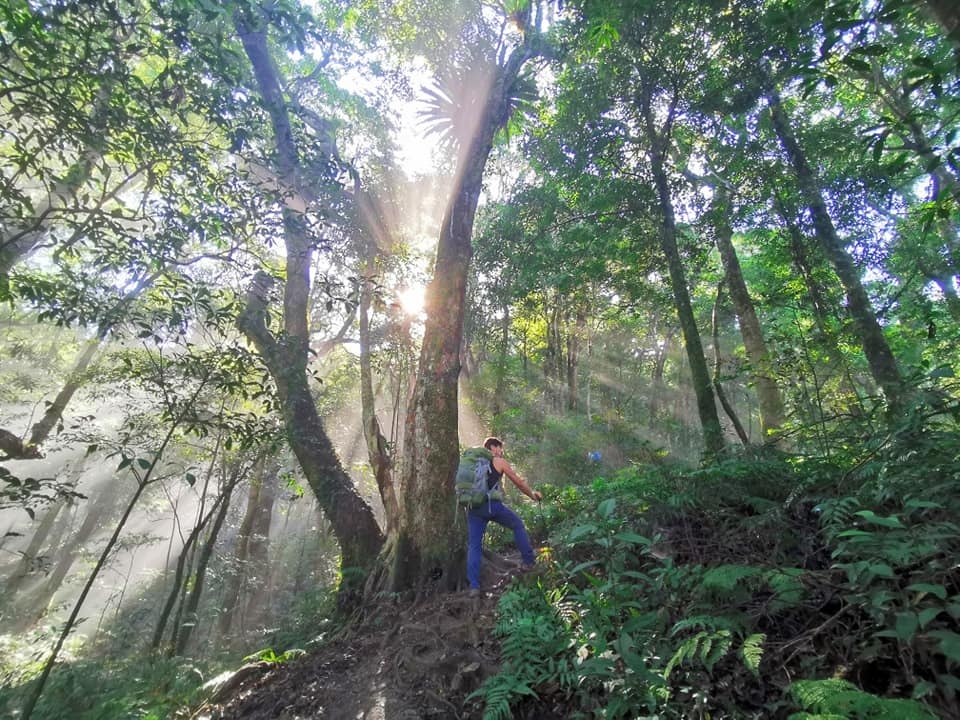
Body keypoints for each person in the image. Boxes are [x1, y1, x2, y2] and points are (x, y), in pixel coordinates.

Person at [466, 436, 543, 593]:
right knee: (517, 524)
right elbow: (519, 482)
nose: (501, 452)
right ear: (493, 448)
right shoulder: (498, 462)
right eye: (500, 448)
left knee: (474, 546)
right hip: (492, 506)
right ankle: (529, 561)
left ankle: (473, 586)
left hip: (474, 508)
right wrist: (533, 496)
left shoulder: (472, 463)